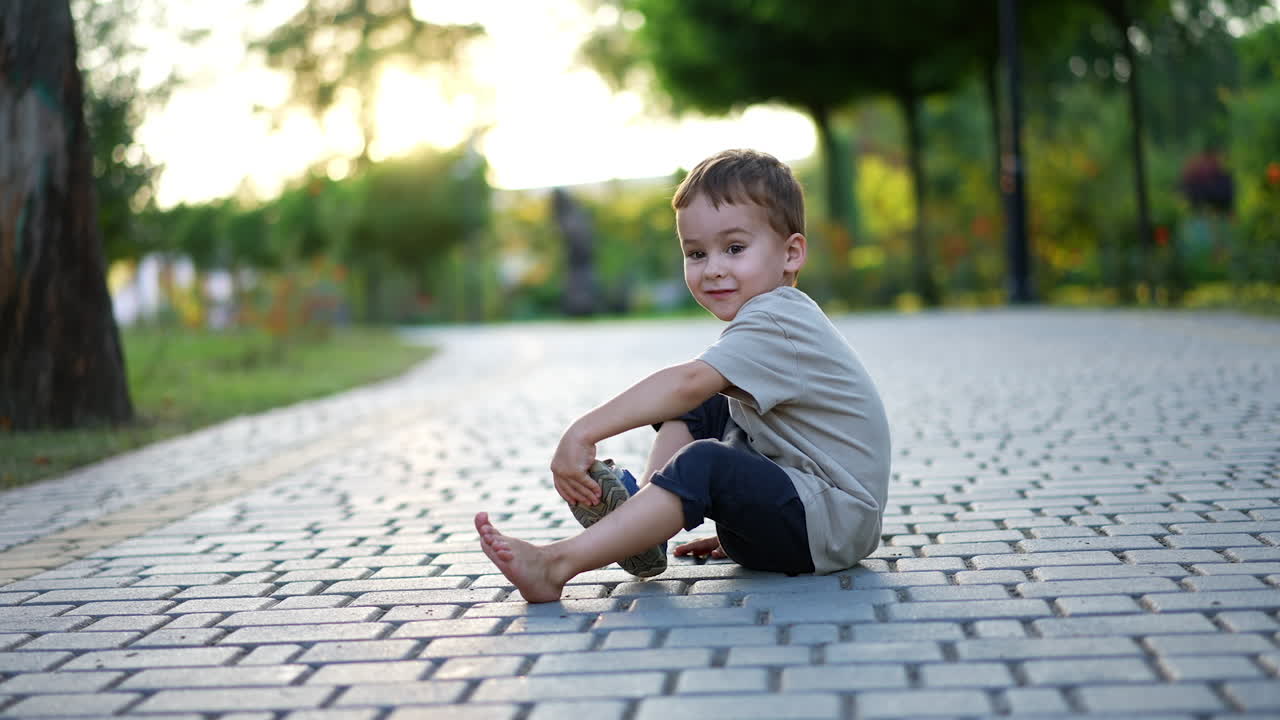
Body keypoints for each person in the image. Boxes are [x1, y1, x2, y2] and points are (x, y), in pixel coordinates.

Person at [475, 149, 891, 602]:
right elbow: (697, 395)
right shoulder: (769, 317)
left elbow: (684, 384)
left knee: (704, 448)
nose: (713, 268)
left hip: (830, 523)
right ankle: (641, 523)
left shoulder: (780, 320)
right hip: (813, 520)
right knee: (710, 401)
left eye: (734, 248)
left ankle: (556, 565)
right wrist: (745, 516)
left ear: (791, 253)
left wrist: (583, 431)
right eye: (696, 253)